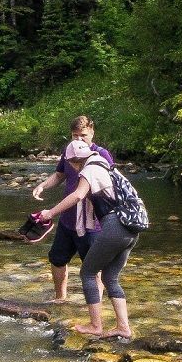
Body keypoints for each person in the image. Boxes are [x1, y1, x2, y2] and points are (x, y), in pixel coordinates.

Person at [37, 140, 137, 338]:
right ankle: (123, 328)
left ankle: (95, 325)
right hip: (131, 228)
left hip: (114, 226)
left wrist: (50, 213)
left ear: (74, 161)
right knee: (110, 277)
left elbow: (77, 196)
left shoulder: (89, 168)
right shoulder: (103, 163)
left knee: (88, 273)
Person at [32, 116, 116, 303]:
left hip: (92, 223)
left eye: (83, 135)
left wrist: (51, 212)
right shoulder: (69, 151)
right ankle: (60, 298)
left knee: (94, 266)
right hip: (68, 218)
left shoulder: (101, 154)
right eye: (74, 135)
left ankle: (97, 304)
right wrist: (43, 185)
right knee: (57, 259)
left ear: (92, 132)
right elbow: (60, 174)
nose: (78, 140)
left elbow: (109, 186)